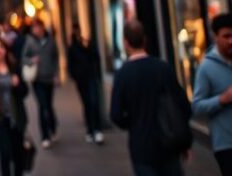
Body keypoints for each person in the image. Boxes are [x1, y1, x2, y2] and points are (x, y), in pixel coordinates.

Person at [110, 20, 191, 176]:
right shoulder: (163, 67)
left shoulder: (122, 74)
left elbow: (116, 115)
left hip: (141, 146)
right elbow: (183, 105)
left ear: (125, 43)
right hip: (169, 142)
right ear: (144, 40)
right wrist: (184, 140)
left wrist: (133, 123)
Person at [193, 13, 232, 175]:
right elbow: (197, 107)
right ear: (215, 37)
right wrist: (222, 99)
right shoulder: (206, 68)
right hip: (226, 146)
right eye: (226, 36)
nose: (231, 41)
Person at [0, 36, 28, 176]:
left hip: (16, 118)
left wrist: (17, 85)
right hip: (0, 119)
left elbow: (25, 92)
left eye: (1, 47)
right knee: (5, 154)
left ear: (6, 50)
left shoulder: (14, 67)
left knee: (18, 155)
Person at [21, 19, 59, 148]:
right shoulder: (30, 41)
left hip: (49, 78)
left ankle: (53, 127)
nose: (35, 30)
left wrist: (56, 74)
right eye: (34, 28)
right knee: (42, 106)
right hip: (37, 80)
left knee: (49, 105)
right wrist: (31, 60)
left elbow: (55, 57)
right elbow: (23, 58)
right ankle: (45, 136)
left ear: (42, 27)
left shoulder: (50, 40)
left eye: (37, 27)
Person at [67, 22, 104, 144]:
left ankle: (97, 129)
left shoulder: (87, 43)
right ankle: (90, 129)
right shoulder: (72, 47)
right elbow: (70, 65)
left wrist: (87, 47)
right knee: (87, 104)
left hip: (91, 77)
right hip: (81, 80)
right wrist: (75, 76)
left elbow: (96, 57)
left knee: (94, 102)